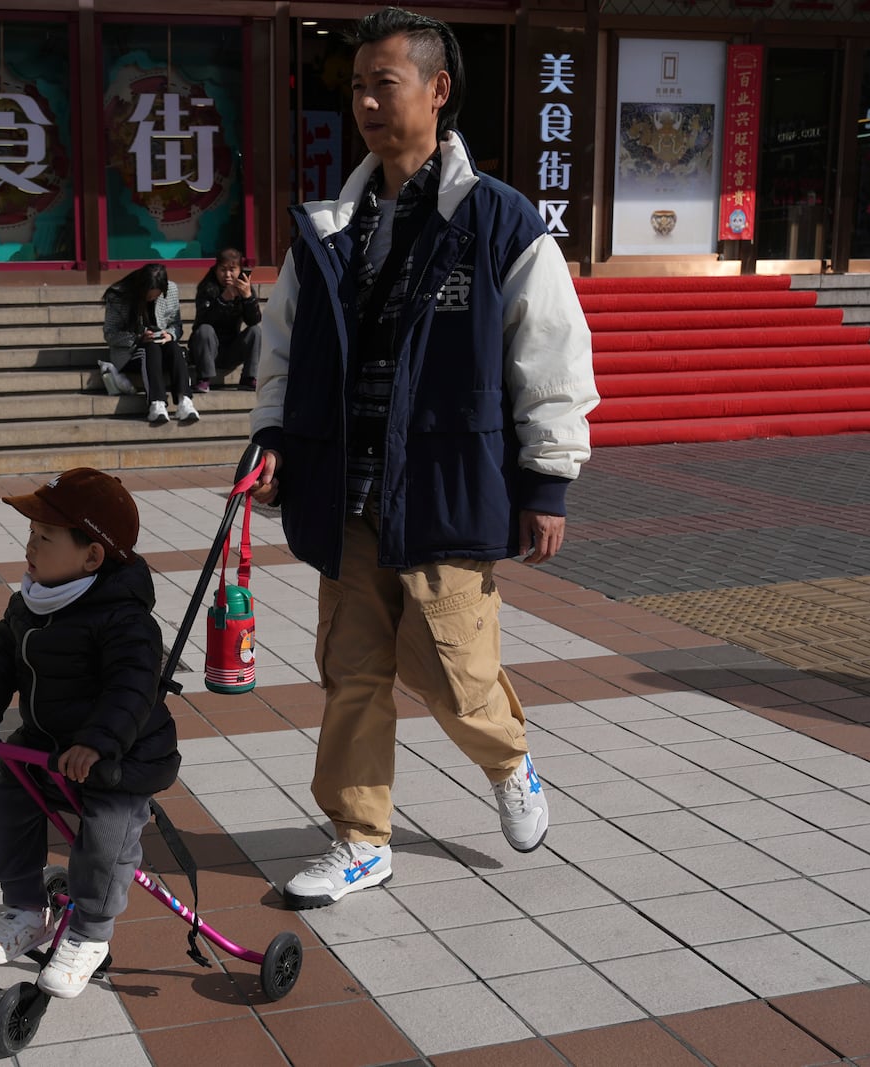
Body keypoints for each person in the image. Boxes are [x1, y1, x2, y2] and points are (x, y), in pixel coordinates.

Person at [248, 7, 598, 910]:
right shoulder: (331, 224)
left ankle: (509, 758)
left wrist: (547, 480)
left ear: (438, 90)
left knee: (453, 672)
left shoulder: (498, 220)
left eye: (383, 83)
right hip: (349, 490)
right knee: (352, 670)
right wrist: (275, 438)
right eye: (357, 85)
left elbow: (551, 356)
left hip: (446, 486)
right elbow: (280, 348)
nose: (365, 100)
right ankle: (361, 837)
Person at [0, 467, 180, 999]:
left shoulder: (124, 620)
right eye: (30, 535)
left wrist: (98, 742)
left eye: (45, 538)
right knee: (1, 807)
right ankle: (28, 909)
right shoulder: (30, 600)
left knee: (104, 836)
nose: (29, 547)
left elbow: (131, 689)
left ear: (92, 556)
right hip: (49, 747)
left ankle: (90, 934)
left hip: (120, 757)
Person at [100, 263, 199, 427]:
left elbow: (177, 325)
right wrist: (138, 338)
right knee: (150, 349)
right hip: (131, 353)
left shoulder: (171, 290)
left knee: (175, 348)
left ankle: (185, 401)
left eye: (155, 296)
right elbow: (110, 334)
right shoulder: (118, 295)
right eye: (148, 297)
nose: (151, 299)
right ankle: (156, 403)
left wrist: (170, 334)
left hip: (162, 346)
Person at [190, 248, 261, 392]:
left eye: (232, 270)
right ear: (216, 269)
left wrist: (248, 298)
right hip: (206, 347)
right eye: (222, 270)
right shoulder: (207, 287)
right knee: (205, 330)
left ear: (240, 270)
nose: (227, 275)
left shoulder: (244, 287)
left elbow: (253, 321)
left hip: (231, 349)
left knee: (256, 331)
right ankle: (204, 378)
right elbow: (204, 320)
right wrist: (223, 299)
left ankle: (249, 377)